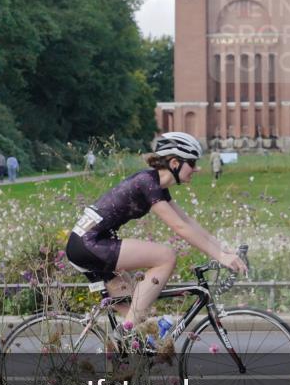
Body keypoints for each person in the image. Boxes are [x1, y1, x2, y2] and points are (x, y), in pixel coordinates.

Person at [65, 131, 247, 339]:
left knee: (140, 310)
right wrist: (220, 257)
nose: (197, 169)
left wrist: (222, 248)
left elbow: (188, 221)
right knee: (166, 256)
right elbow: (180, 228)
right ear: (175, 162)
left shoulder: (155, 184)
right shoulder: (147, 182)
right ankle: (127, 331)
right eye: (192, 162)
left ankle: (124, 361)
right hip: (90, 244)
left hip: (86, 244)